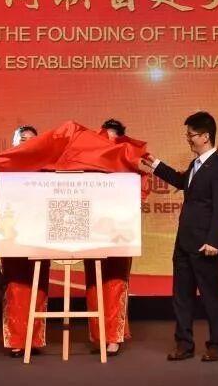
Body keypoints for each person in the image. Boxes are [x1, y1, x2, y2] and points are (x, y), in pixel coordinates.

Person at [142, 111, 218, 362]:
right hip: (184, 243)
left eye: (191, 134)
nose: (188, 139)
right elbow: (182, 182)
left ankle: (216, 345)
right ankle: (184, 344)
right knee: (182, 297)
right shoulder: (196, 164)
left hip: (205, 245)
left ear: (205, 136)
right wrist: (155, 164)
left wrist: (214, 240)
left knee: (212, 298)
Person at [83, 119, 134, 356]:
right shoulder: (87, 165)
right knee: (95, 284)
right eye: (105, 140)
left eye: (114, 140)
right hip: (92, 231)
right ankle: (100, 335)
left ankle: (114, 336)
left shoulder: (128, 165)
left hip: (119, 232)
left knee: (115, 283)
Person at [0, 125, 50, 358]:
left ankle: (34, 338)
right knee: (15, 286)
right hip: (13, 235)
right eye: (23, 139)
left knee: (38, 286)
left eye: (32, 139)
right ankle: (17, 340)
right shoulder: (4, 166)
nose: (28, 143)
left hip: (40, 234)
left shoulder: (47, 168)